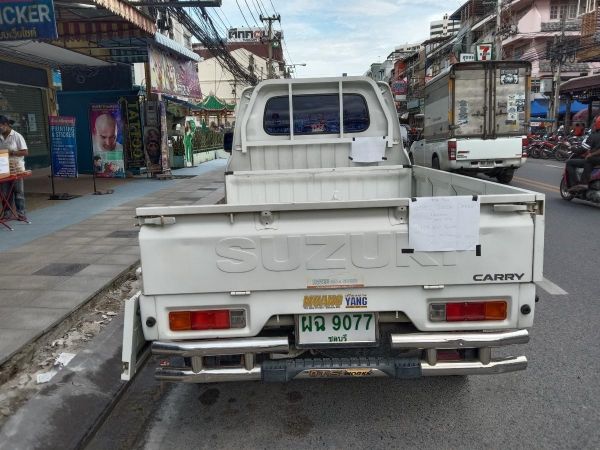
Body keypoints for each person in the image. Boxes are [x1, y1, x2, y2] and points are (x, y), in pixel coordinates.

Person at [0, 115, 28, 219]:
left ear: (6, 125)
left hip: (16, 168)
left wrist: (12, 152)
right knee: (5, 193)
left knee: (18, 192)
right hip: (3, 169)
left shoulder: (17, 136)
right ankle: (7, 213)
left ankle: (21, 213)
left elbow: (25, 152)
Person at [567, 116, 600, 192]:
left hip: (595, 160)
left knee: (570, 163)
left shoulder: (594, 136)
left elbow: (583, 150)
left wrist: (572, 148)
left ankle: (576, 185)